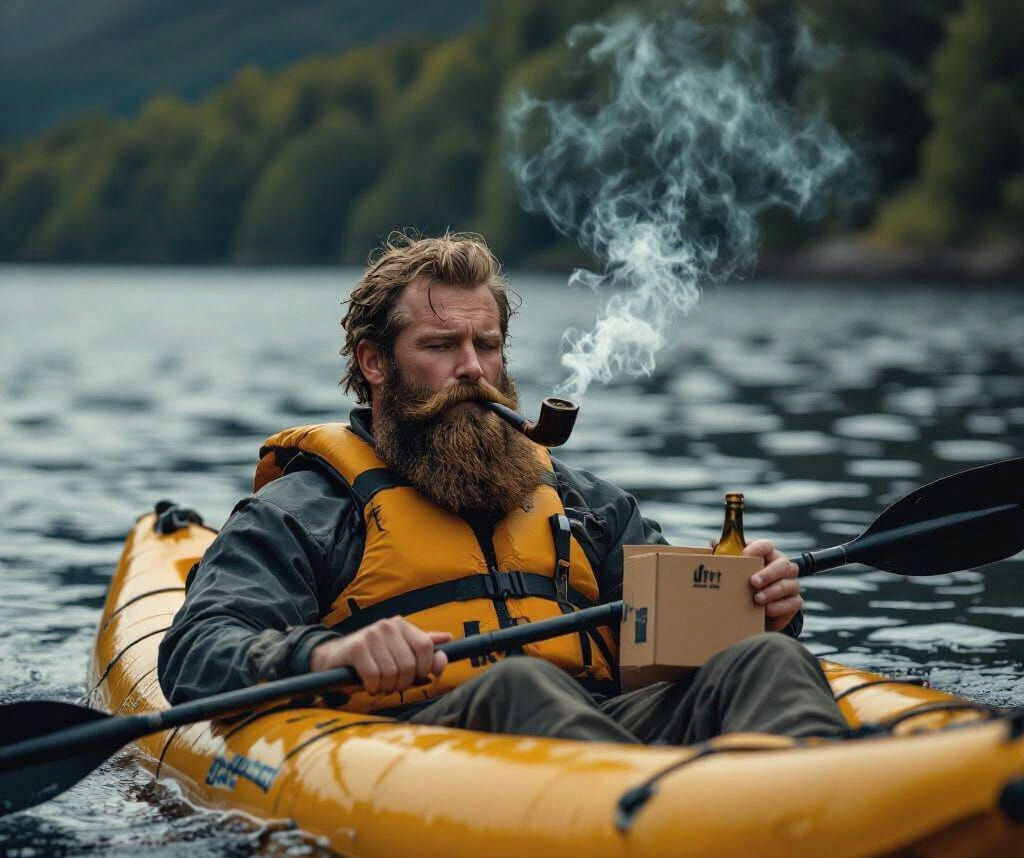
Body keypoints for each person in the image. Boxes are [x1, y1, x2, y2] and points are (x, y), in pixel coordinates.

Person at [158, 232, 847, 744]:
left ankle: (824, 811)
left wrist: (760, 609)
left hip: (602, 729)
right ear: (373, 363)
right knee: (521, 682)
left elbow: (678, 646)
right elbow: (195, 652)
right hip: (424, 746)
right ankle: (657, 829)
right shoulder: (306, 512)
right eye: (440, 346)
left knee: (769, 660)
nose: (472, 370)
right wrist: (327, 654)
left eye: (486, 346)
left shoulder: (589, 508)